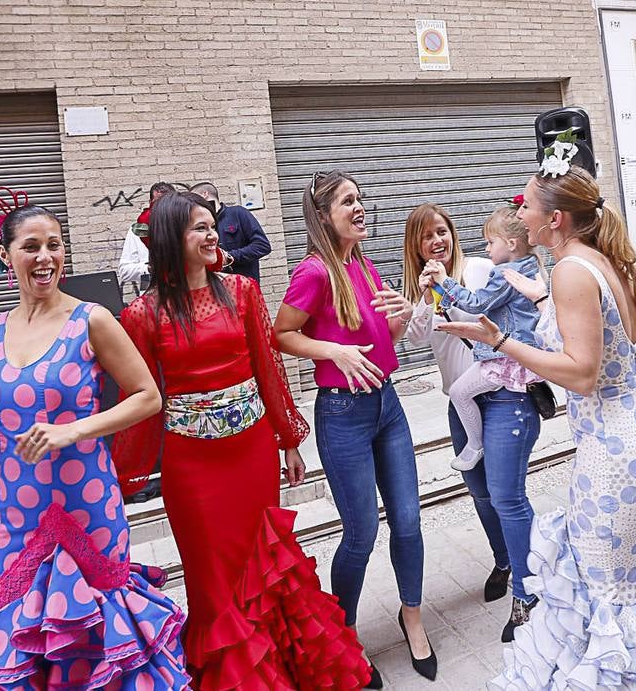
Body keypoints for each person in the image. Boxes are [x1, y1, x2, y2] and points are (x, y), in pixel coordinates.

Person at [439, 148, 636, 689]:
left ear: (554, 218)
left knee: (605, 606)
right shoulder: (594, 260)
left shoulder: (572, 272)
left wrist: (500, 340)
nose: (520, 214)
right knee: (628, 592)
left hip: (616, 458)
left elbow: (580, 374)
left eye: (526, 205)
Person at [114, 192, 367, 690]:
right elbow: (139, 395)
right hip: (192, 466)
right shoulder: (142, 314)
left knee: (267, 563)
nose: (213, 236)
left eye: (212, 226)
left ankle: (284, 671)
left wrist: (287, 439)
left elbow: (268, 369)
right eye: (199, 229)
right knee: (212, 580)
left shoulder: (242, 292)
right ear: (170, 239)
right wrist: (124, 473)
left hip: (250, 452)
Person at [0, 199, 189, 690]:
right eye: (31, 247)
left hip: (87, 502)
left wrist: (74, 429)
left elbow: (148, 397)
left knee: (95, 624)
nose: (45, 256)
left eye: (54, 245)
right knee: (24, 625)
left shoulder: (91, 319)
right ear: (6, 257)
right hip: (17, 509)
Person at [274, 171, 435, 685]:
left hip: (388, 405)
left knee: (408, 521)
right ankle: (342, 637)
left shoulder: (363, 264)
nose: (360, 207)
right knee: (362, 532)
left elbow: (384, 337)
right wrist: (332, 351)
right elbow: (281, 334)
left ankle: (411, 615)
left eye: (361, 198)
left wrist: (405, 315)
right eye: (348, 201)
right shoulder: (314, 273)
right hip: (343, 415)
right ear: (324, 215)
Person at [401, 204, 540, 642]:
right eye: (427, 237)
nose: (437, 241)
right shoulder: (422, 286)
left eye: (442, 231)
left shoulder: (483, 267)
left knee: (505, 496)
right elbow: (418, 337)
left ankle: (527, 586)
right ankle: (505, 560)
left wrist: (450, 287)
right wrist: (425, 295)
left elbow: (503, 301)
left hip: (500, 394)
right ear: (417, 246)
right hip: (460, 400)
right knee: (481, 494)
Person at [421, 206, 542, 473]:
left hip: (503, 358)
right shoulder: (528, 265)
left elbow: (477, 304)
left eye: (490, 242)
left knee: (458, 392)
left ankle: (475, 445)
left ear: (511, 243)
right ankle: (475, 445)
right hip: (515, 353)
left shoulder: (502, 273)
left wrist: (445, 281)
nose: (487, 249)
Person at [189, 181, 273, 283]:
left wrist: (228, 257)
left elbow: (262, 246)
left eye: (194, 198)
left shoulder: (238, 213)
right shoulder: (197, 223)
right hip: (215, 288)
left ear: (204, 194)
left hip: (243, 288)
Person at [117, 181, 175, 288]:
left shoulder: (183, 227)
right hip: (150, 291)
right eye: (158, 202)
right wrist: (149, 268)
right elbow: (124, 271)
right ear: (150, 202)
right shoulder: (139, 229)